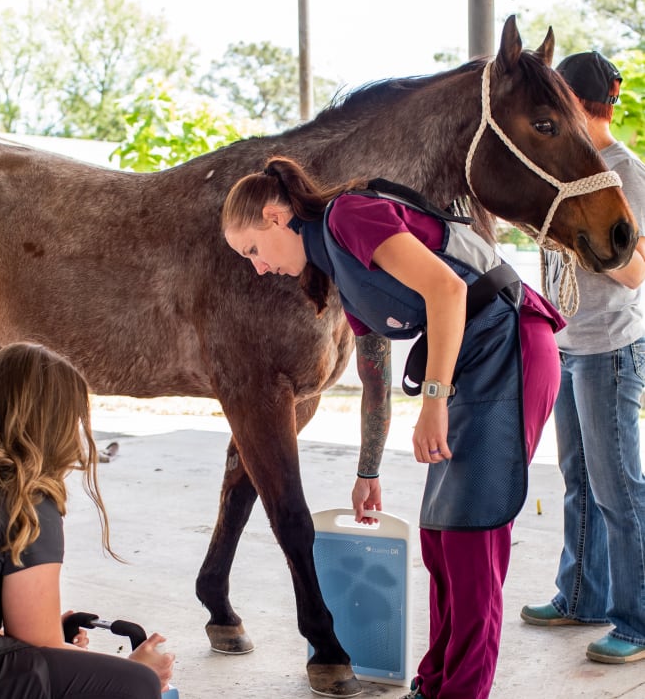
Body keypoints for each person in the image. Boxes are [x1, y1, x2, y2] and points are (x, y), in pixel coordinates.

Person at [221, 157, 564, 699]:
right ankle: (434, 685)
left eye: (253, 251)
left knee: (474, 542)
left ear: (274, 216)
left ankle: (461, 691)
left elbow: (448, 291)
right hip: (468, 365)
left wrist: (433, 401)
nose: (258, 268)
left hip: (511, 349)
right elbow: (375, 379)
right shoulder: (339, 270)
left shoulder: (349, 217)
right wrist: (368, 470)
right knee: (438, 539)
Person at [0, 342, 175, 698]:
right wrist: (133, 667)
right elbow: (38, 644)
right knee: (138, 683)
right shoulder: (24, 500)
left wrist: (46, 632)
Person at [520, 52, 645, 664]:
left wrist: (581, 235)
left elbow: (636, 273)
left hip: (611, 347)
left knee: (620, 490)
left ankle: (638, 621)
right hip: (568, 344)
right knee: (579, 482)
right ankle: (580, 596)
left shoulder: (624, 172)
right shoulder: (565, 172)